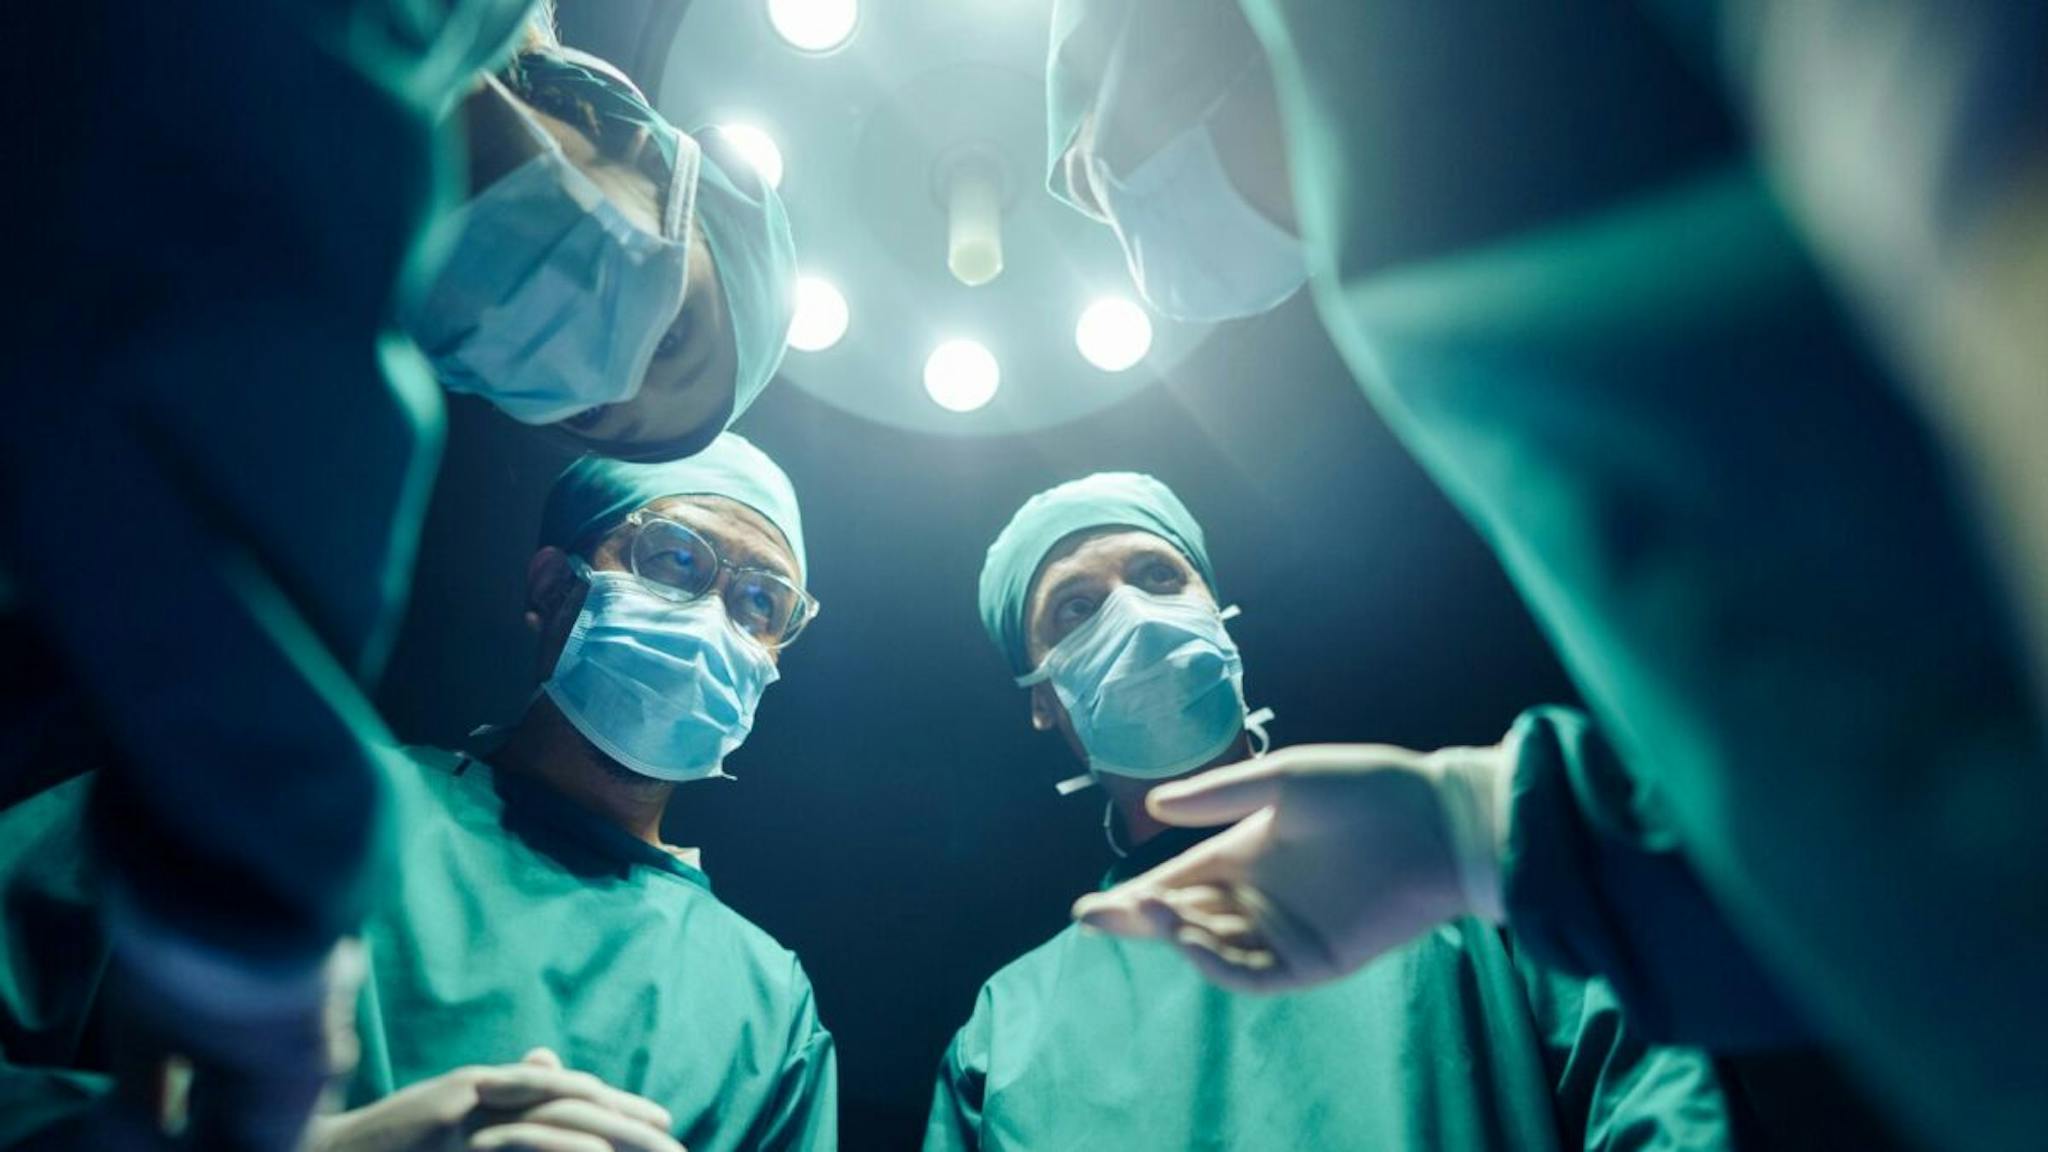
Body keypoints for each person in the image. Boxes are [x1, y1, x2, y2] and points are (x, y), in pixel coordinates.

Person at [1041, 2, 2048, 1148]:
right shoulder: (1453, 266)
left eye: (1080, 129)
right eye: (1073, 603)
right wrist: (1487, 834)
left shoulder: (1497, 148)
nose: (1079, 181)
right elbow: (1866, 786)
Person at [0, 5, 795, 1144]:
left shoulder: (765, 1008)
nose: (601, 364)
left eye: (595, 417)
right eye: (672, 334)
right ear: (551, 581)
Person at [0, 436, 837, 1152]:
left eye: (760, 601)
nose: (712, 618)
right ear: (552, 590)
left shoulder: (768, 1015)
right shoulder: (272, 801)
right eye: (675, 558)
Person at [925, 471, 1737, 1152]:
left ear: (1218, 614)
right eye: (1075, 608)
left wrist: (1477, 842)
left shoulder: (1445, 866)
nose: (1132, 617)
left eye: (1159, 577)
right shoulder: (1006, 1033)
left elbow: (1661, 1102)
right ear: (1041, 699)